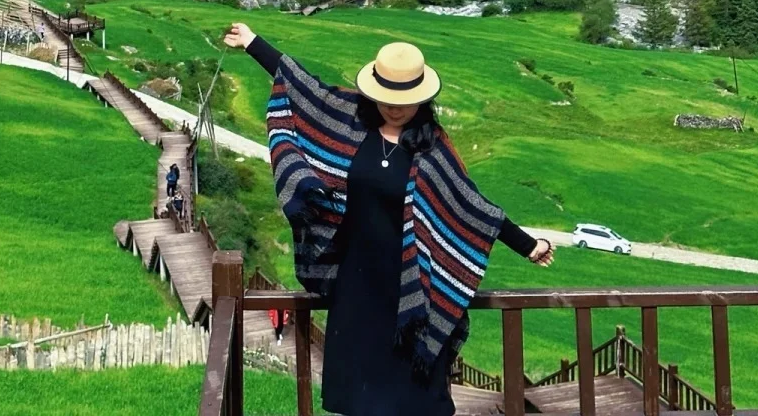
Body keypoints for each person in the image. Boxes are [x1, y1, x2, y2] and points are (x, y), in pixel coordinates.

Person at [224, 21, 554, 416]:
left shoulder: (432, 147)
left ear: (422, 98)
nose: (395, 107)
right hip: (355, 286)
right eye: (386, 97)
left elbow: (472, 205)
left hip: (408, 291)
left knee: (410, 398)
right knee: (360, 397)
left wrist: (528, 244)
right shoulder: (350, 120)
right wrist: (252, 42)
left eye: (406, 99)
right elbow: (302, 87)